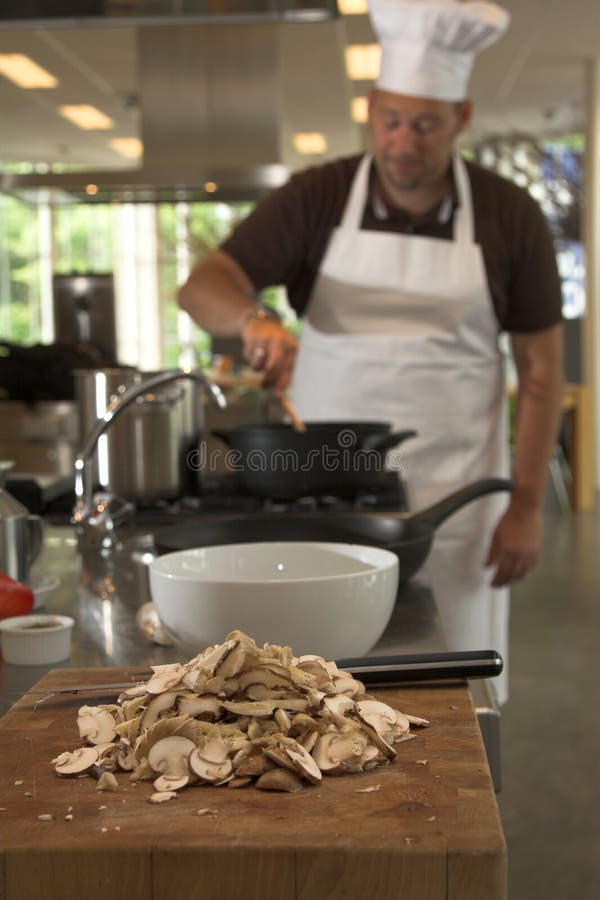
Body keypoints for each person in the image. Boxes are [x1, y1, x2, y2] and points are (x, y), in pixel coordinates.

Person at [178, 0, 564, 702]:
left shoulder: (510, 215)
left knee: (453, 689)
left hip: (457, 500)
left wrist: (528, 505)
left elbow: (541, 372)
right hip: (328, 487)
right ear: (370, 109)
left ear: (462, 120)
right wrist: (252, 318)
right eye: (390, 120)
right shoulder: (318, 198)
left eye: (425, 124)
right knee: (319, 688)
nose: (403, 142)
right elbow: (202, 285)